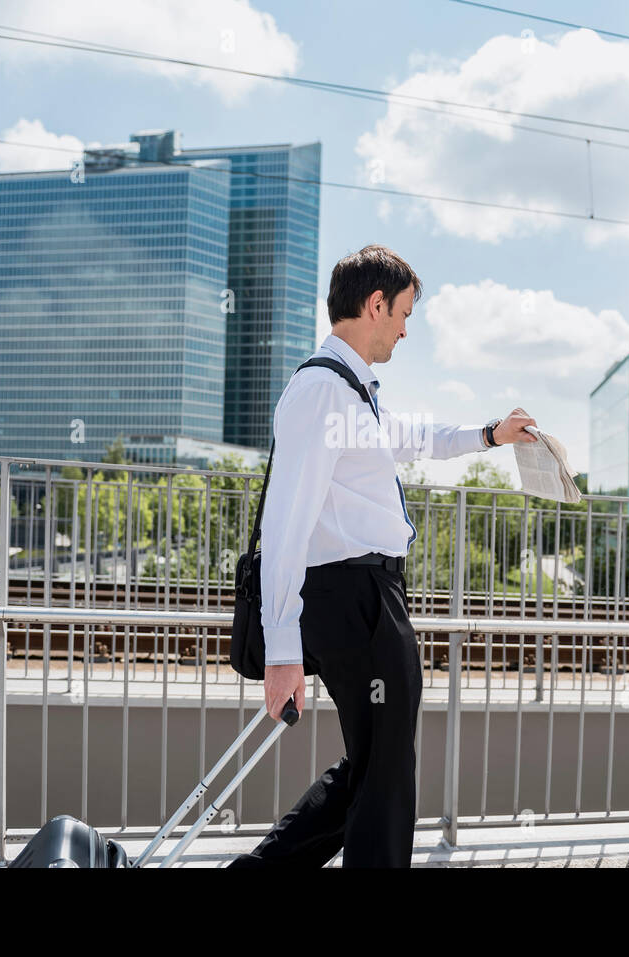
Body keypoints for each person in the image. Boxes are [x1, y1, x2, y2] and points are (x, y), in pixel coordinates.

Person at [227, 244, 537, 868]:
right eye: (402, 314)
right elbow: (286, 525)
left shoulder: (351, 391)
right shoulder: (321, 391)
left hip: (369, 599)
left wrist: (489, 435)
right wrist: (282, 655)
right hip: (356, 601)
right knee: (387, 774)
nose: (404, 328)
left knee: (374, 767)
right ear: (375, 305)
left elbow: (418, 437)